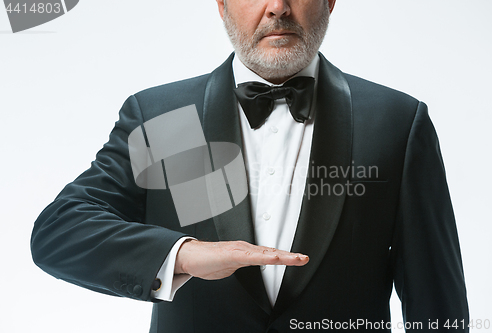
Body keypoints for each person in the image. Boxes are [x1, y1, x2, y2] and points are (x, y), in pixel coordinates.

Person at [31, 0, 469, 332]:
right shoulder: (163, 117)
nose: (277, 7)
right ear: (221, 5)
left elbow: (437, 305)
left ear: (331, 1)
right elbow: (60, 231)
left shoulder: (396, 122)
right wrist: (182, 254)